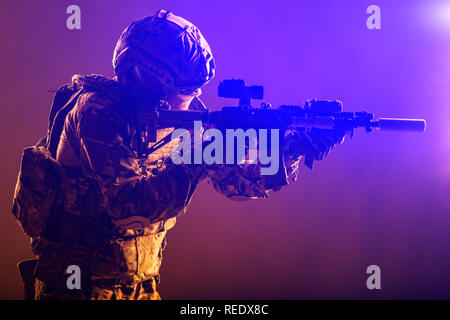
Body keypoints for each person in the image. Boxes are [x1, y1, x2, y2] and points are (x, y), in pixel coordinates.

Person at [17, 9, 345, 300]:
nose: (192, 100)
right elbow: (126, 208)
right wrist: (195, 158)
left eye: (196, 90)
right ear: (147, 81)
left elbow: (239, 183)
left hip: (140, 286)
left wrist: (292, 148)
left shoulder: (187, 121)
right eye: (185, 91)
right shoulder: (97, 111)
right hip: (76, 287)